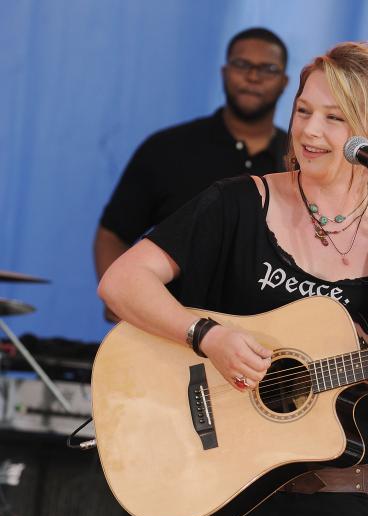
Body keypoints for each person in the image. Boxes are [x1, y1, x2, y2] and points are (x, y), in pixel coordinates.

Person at [98, 41, 368, 516]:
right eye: (304, 110)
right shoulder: (237, 203)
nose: (309, 131)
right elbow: (121, 282)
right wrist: (207, 335)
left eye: (335, 119)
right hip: (208, 473)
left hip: (331, 500)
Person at [94, 27, 290, 321]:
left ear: (285, 82)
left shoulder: (298, 162)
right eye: (242, 65)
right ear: (224, 71)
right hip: (169, 337)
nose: (253, 76)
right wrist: (121, 299)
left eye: (268, 69)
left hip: (267, 347)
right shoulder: (168, 149)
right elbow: (113, 233)